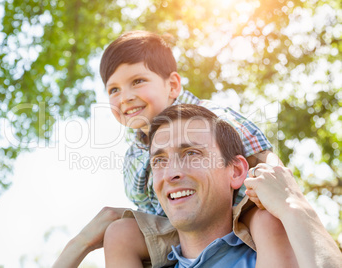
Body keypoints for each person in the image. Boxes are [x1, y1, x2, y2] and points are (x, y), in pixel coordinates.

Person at [100, 30, 296, 267]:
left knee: (268, 222)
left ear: (172, 85)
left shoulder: (208, 117)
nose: (125, 97)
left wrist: (282, 194)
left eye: (137, 81)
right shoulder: (133, 156)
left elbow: (262, 153)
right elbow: (145, 208)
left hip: (238, 211)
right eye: (114, 90)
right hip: (178, 221)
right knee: (120, 234)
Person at [144, 104, 342, 267]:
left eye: (191, 154)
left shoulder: (278, 255)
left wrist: (293, 204)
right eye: (159, 161)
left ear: (236, 171)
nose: (170, 174)